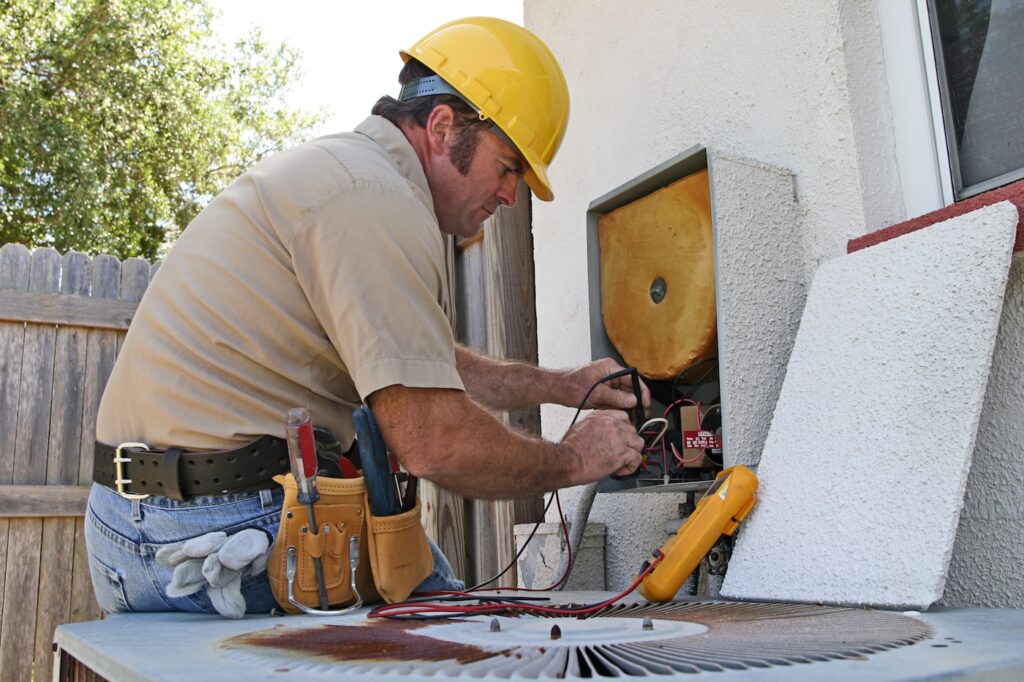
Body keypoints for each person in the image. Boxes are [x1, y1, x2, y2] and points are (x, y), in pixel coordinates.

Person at [85, 17, 646, 617]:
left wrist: (562, 387)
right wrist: (579, 460)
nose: (511, 195)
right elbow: (436, 441)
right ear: (443, 126)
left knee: (451, 610)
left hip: (143, 520)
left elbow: (421, 362)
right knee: (461, 636)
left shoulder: (351, 176)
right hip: (213, 535)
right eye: (508, 166)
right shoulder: (375, 201)